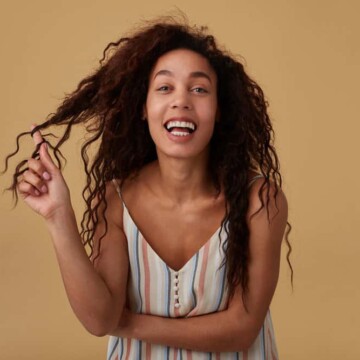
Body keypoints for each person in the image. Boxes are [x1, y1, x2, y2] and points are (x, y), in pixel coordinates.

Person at [4, 15, 293, 359]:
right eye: (164, 87)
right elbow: (99, 319)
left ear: (219, 110)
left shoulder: (260, 200)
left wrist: (126, 324)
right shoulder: (114, 199)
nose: (181, 101)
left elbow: (243, 328)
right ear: (142, 108)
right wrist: (58, 216)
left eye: (199, 89)